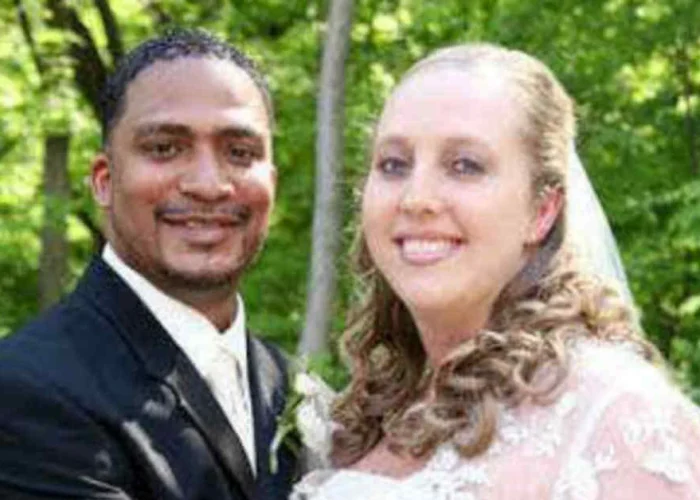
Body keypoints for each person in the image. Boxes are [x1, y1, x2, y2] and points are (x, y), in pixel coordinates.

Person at [292, 43, 700, 499]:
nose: (415, 197)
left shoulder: (619, 416)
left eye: (464, 165)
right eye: (394, 164)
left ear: (542, 210)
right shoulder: (365, 417)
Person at [0, 29, 297, 500]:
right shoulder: (24, 389)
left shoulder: (294, 388)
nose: (208, 184)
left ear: (271, 183)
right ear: (103, 180)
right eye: (164, 148)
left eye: (239, 153)